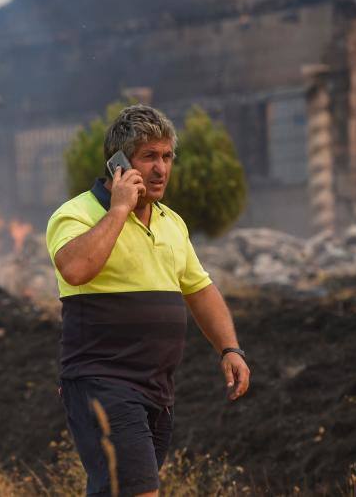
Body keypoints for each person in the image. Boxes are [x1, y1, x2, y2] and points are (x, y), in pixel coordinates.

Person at [46, 104, 250, 497]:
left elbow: (200, 289)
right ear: (119, 164)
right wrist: (119, 209)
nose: (161, 169)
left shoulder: (171, 223)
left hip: (157, 390)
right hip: (102, 384)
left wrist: (230, 348)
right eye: (149, 157)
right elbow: (75, 269)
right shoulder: (75, 215)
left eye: (167, 156)